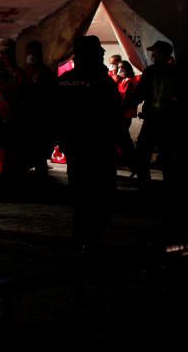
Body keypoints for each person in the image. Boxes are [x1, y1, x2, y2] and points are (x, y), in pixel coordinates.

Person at [55, 35, 122, 255]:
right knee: (101, 195)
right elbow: (114, 117)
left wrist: (61, 140)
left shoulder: (64, 81)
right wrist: (125, 147)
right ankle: (90, 239)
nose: (103, 54)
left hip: (75, 146)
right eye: (99, 51)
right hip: (98, 147)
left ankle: (82, 238)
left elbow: (54, 114)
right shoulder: (102, 82)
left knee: (81, 195)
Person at [126, 40, 181, 195]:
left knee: (143, 153)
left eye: (154, 52)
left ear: (159, 53)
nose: (152, 54)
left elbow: (140, 93)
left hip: (152, 119)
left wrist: (124, 106)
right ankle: (170, 190)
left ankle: (144, 188)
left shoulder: (151, 71)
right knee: (168, 156)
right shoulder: (175, 71)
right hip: (169, 120)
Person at [0, 38, 24, 182]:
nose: (6, 55)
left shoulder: (18, 72)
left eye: (9, 52)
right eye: (5, 52)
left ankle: (3, 175)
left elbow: (22, 92)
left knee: (7, 149)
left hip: (10, 116)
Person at [21, 40, 56, 177]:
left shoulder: (45, 72)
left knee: (39, 151)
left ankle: (41, 175)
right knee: (29, 149)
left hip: (40, 117)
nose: (31, 55)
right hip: (27, 116)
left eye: (33, 52)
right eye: (29, 52)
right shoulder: (24, 71)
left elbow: (50, 95)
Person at [115, 60, 139, 171]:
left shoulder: (129, 81)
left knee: (124, 138)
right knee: (123, 137)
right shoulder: (122, 80)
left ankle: (132, 162)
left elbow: (125, 99)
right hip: (123, 112)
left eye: (122, 68)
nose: (120, 70)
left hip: (125, 113)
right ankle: (130, 162)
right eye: (118, 67)